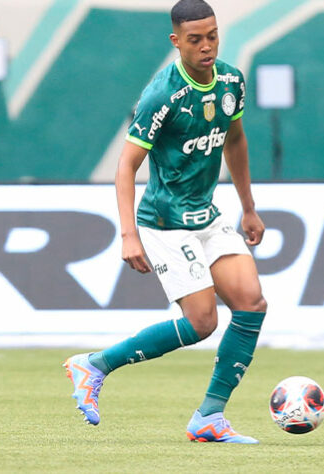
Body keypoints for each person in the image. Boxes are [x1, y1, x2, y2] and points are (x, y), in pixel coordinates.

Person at [64, 0, 266, 444]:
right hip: (164, 222)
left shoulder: (232, 80)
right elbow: (125, 166)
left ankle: (210, 416)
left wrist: (248, 207)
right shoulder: (162, 95)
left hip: (208, 217)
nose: (207, 46)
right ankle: (95, 364)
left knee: (251, 302)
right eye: (195, 40)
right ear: (176, 42)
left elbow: (235, 140)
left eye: (212, 35)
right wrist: (128, 233)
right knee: (201, 323)